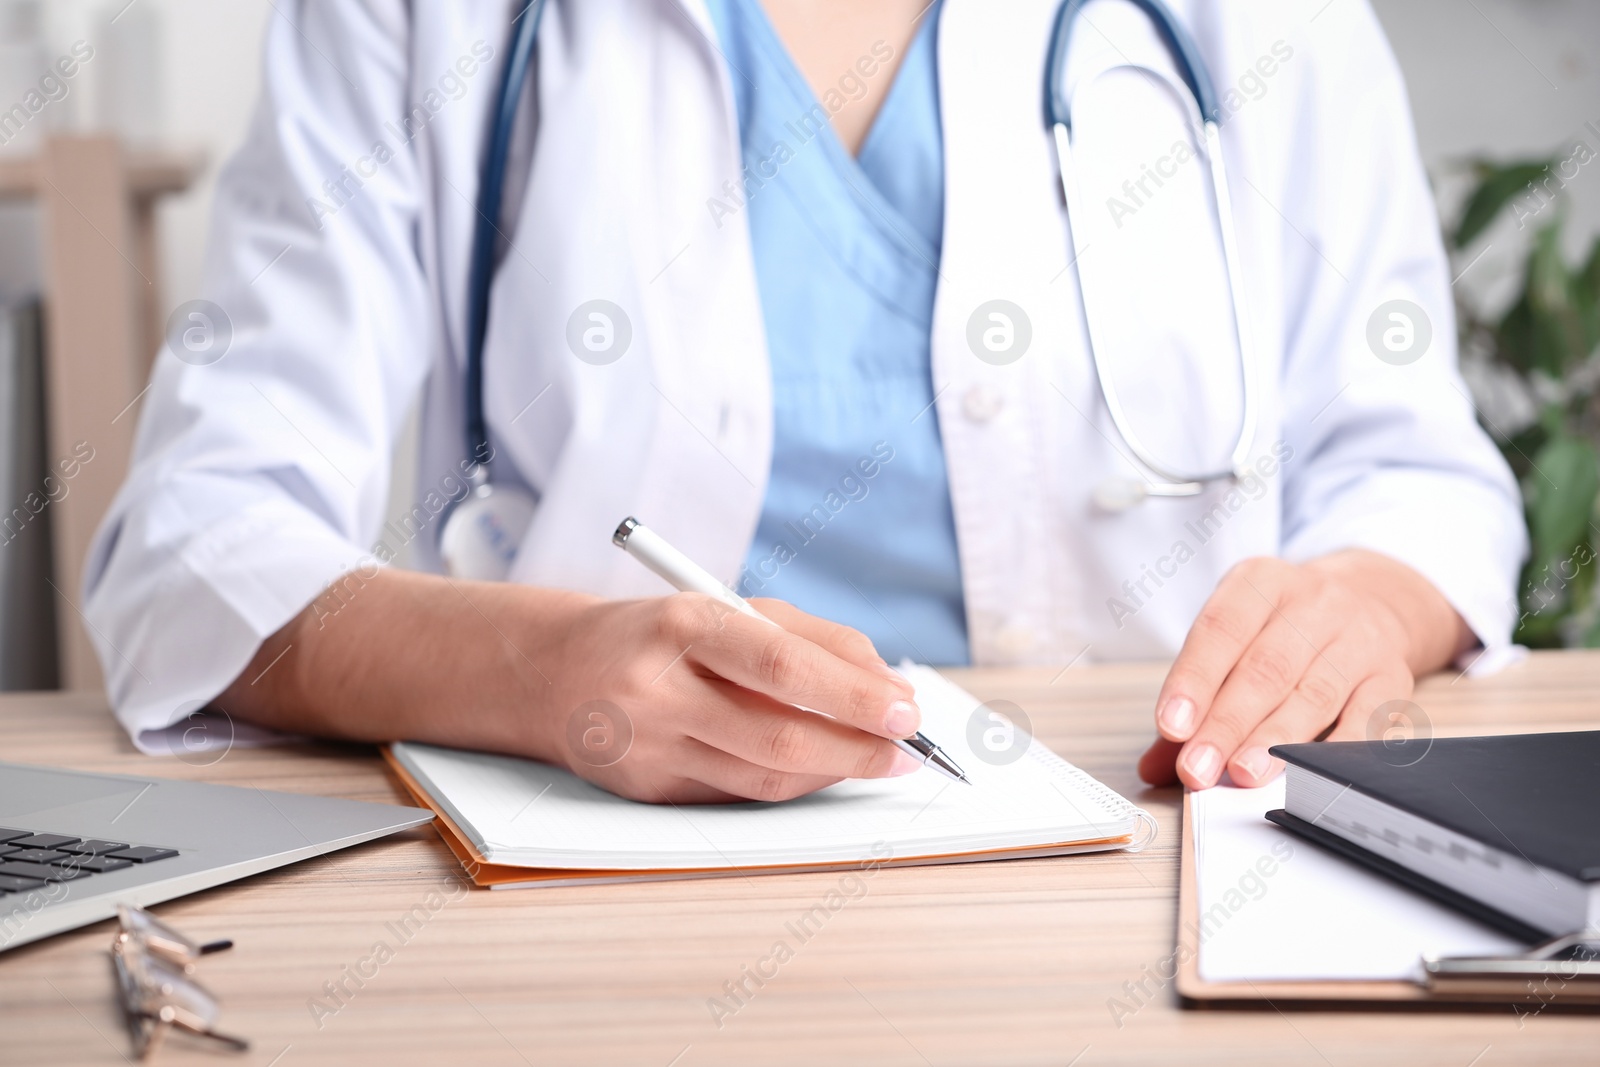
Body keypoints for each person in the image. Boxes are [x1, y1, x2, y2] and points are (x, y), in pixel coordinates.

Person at [84, 0, 1523, 803]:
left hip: (1158, 850)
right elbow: (197, 542)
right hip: (598, 885)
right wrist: (535, 672)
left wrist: (1353, 612)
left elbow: (1421, 481)